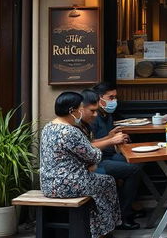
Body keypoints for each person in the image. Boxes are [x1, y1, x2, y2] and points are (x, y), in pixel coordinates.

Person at [39, 92, 121, 238]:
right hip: (68, 184)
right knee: (107, 182)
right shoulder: (70, 131)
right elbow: (94, 155)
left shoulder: (48, 127)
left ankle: (95, 229)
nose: (81, 111)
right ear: (72, 111)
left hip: (47, 185)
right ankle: (105, 230)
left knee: (97, 183)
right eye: (80, 108)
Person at [81, 88, 142, 230]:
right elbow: (88, 147)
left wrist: (110, 137)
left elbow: (90, 143)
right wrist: (111, 140)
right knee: (132, 169)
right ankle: (122, 215)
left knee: (136, 162)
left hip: (98, 159)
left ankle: (126, 208)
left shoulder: (102, 116)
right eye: (111, 97)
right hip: (94, 164)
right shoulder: (82, 123)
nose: (95, 114)